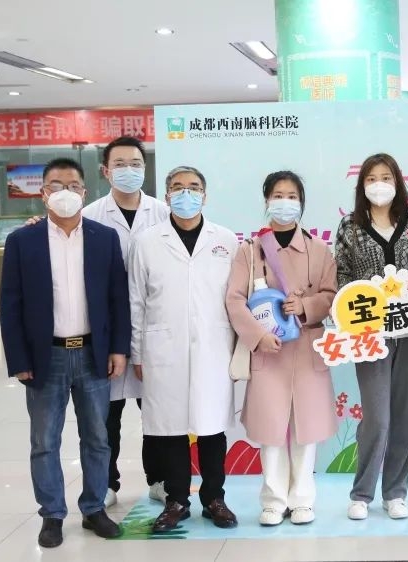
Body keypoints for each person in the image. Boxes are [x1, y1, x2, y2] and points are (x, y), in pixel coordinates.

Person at [0, 158, 129, 548]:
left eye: (73, 186)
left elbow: (118, 299)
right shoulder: (22, 241)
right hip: (45, 357)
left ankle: (94, 508)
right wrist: (18, 360)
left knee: (98, 437)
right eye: (56, 185)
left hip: (93, 353)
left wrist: (118, 348)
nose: (65, 193)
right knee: (44, 440)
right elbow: (10, 305)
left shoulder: (104, 238)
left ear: (84, 192)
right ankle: (52, 514)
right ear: (43, 194)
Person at [127, 166, 239, 532]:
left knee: (211, 427)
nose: (185, 194)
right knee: (169, 427)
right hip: (162, 347)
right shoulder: (147, 241)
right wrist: (137, 352)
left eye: (193, 187)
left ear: (205, 195)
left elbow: (236, 298)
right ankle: (176, 500)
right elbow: (136, 301)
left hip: (214, 346)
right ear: (166, 195)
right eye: (177, 187)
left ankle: (214, 498)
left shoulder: (226, 240)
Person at [226, 171, 339, 527]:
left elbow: (331, 296)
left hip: (307, 350)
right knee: (271, 430)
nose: (285, 203)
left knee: (306, 429)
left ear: (301, 203)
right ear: (266, 201)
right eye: (278, 195)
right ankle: (273, 500)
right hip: (268, 352)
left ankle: (303, 499)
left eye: (292, 196)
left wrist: (305, 306)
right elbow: (234, 299)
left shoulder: (320, 250)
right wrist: (258, 336)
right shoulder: (249, 250)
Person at [334, 153, 408, 521]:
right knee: (377, 416)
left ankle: (395, 492)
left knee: (405, 412)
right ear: (362, 185)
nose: (379, 184)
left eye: (386, 177)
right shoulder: (350, 226)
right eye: (372, 178)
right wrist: (358, 299)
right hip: (369, 330)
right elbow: (341, 276)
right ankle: (362, 493)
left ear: (397, 181)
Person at [82, 136, 170, 507]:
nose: (128, 170)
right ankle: (107, 482)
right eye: (120, 164)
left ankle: (160, 479)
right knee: (107, 414)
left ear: (145, 170)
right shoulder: (89, 216)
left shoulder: (163, 213)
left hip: (155, 327)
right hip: (107, 330)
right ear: (105, 171)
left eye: (135, 164)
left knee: (157, 411)